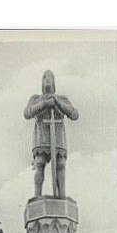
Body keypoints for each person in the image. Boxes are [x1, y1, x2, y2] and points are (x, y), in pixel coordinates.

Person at [23, 70, 79, 198]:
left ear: (54, 81)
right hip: (42, 134)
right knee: (40, 162)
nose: (47, 80)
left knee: (60, 164)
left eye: (50, 77)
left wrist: (57, 103)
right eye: (44, 77)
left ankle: (62, 197)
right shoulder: (35, 99)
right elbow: (27, 113)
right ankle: (37, 196)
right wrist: (44, 104)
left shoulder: (62, 99)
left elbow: (74, 114)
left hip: (58, 134)